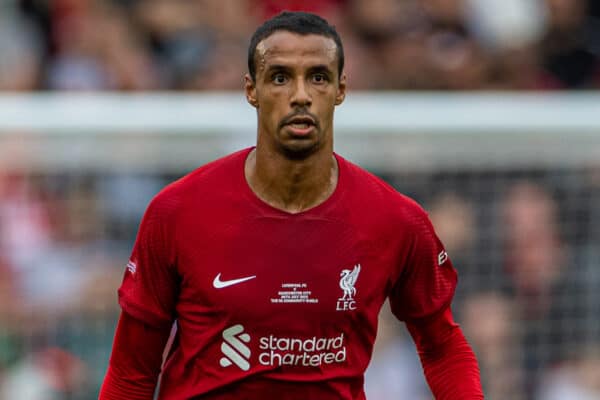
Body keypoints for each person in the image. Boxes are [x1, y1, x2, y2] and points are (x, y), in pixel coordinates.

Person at [99, 11, 483, 399]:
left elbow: (442, 346)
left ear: (340, 88)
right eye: (280, 77)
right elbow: (131, 372)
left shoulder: (396, 220)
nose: (300, 95)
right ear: (251, 90)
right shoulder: (177, 212)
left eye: (317, 77)